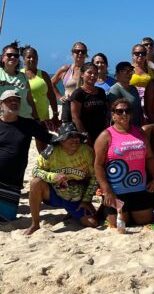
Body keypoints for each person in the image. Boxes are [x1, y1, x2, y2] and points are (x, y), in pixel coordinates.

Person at [94, 101, 154, 227]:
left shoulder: (139, 132)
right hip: (115, 191)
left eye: (127, 111)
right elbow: (98, 165)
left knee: (144, 220)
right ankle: (105, 208)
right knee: (121, 224)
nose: (124, 114)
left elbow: (150, 157)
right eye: (119, 111)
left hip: (139, 188)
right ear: (113, 115)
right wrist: (107, 190)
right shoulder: (106, 135)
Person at [26, 123, 98, 235]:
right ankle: (35, 224)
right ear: (61, 140)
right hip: (54, 193)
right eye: (69, 137)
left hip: (77, 198)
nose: (75, 140)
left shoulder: (86, 151)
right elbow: (35, 170)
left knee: (93, 223)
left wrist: (86, 200)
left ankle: (72, 213)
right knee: (35, 182)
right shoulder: (51, 151)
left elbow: (95, 177)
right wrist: (52, 177)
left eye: (77, 136)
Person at [0, 90, 51, 222]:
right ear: (1, 105)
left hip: (13, 182)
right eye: (9, 100)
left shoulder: (28, 124)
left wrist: (71, 139)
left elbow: (49, 138)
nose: (13, 102)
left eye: (16, 100)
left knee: (6, 218)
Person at [21, 45, 59, 129]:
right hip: (24, 118)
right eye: (29, 57)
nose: (32, 59)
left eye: (34, 57)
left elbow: (51, 95)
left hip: (43, 118)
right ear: (24, 59)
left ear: (37, 59)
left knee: (43, 137)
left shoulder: (44, 75)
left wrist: (55, 114)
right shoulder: (20, 75)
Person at [70, 63, 109, 145]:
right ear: (82, 74)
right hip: (86, 134)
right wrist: (85, 136)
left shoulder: (101, 92)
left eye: (95, 73)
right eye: (89, 73)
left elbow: (105, 113)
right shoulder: (78, 94)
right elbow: (75, 118)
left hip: (102, 133)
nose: (93, 75)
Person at [1, 42, 38, 119]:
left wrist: (37, 118)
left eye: (16, 56)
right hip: (3, 120)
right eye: (9, 55)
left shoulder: (24, 77)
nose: (13, 57)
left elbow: (30, 100)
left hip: (25, 118)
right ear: (2, 58)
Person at [52, 42, 88, 122]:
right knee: (67, 129)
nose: (80, 53)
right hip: (68, 108)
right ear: (72, 53)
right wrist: (59, 96)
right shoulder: (66, 69)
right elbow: (51, 83)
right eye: (77, 51)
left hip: (85, 107)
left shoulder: (89, 70)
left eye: (83, 51)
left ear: (86, 54)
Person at [107, 62, 143, 127]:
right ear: (117, 74)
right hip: (123, 128)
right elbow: (115, 114)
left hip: (136, 127)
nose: (128, 73)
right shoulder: (114, 90)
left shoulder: (133, 88)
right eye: (124, 71)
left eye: (130, 71)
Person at [129, 44, 154, 109]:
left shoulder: (151, 71)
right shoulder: (128, 70)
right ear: (133, 55)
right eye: (137, 53)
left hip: (147, 105)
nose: (140, 55)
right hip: (131, 105)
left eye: (143, 53)